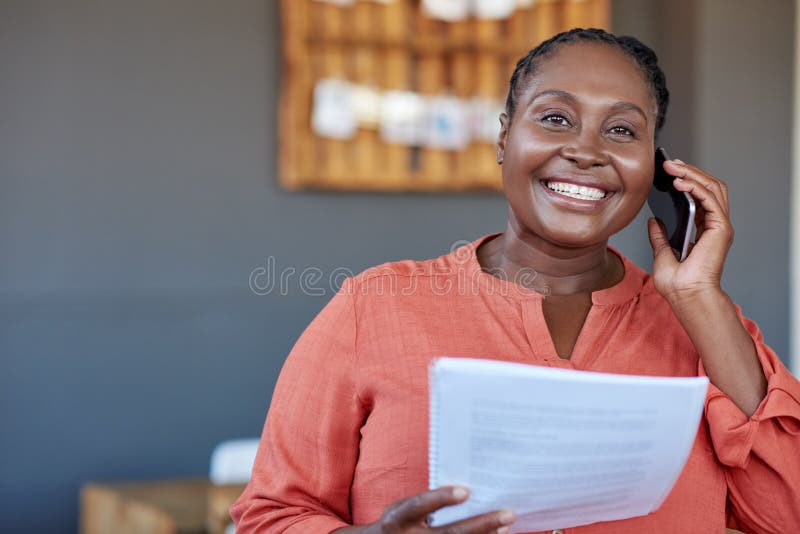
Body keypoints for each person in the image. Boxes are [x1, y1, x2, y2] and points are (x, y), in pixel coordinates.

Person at [231, 28, 800, 533]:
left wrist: (700, 299)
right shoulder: (371, 308)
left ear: (656, 167)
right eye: (555, 118)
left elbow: (787, 515)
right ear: (504, 139)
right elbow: (270, 516)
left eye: (622, 130)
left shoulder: (708, 333)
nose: (585, 150)